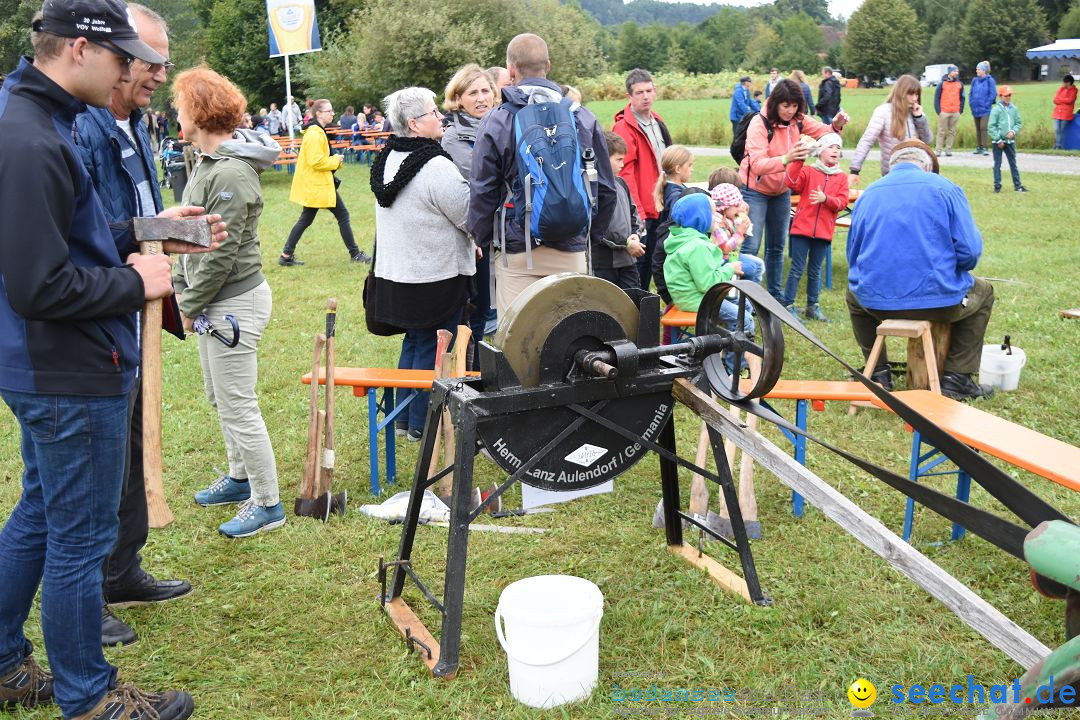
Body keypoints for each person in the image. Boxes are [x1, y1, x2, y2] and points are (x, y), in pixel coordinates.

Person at [0, 0, 224, 716]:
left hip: (47, 362)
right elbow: (40, 284)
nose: (137, 70)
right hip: (67, 366)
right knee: (80, 536)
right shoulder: (31, 137)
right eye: (124, 57)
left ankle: (5, 663)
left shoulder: (36, 118)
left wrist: (150, 230)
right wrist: (137, 280)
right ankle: (90, 699)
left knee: (41, 511)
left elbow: (68, 234)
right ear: (75, 50)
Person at [73, 2, 193, 649]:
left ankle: (122, 570)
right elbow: (86, 237)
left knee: (133, 448)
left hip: (135, 313)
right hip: (95, 316)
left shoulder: (134, 122)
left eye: (162, 62)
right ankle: (87, 593)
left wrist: (166, 226)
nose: (157, 74)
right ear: (114, 58)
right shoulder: (82, 128)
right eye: (148, 61)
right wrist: (146, 240)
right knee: (97, 463)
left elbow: (134, 216)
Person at [171, 67, 284, 537]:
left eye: (179, 105)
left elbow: (220, 254)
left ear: (197, 111)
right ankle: (240, 478)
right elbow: (187, 237)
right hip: (210, 302)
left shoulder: (232, 174)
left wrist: (187, 305)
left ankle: (267, 502)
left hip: (232, 302)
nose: (175, 113)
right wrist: (181, 287)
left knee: (238, 403)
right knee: (220, 399)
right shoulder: (205, 162)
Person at [468, 33, 615, 315]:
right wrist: (589, 234)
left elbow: (483, 189)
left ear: (511, 70)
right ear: (548, 65)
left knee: (517, 340)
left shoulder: (498, 119)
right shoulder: (582, 117)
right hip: (571, 246)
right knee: (570, 337)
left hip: (517, 249)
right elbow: (606, 188)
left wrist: (483, 237)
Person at [846, 140, 994, 401]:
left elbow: (853, 255)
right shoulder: (945, 188)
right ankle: (957, 377)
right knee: (984, 292)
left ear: (892, 167)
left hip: (876, 303)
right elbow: (970, 253)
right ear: (926, 167)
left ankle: (878, 372)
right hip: (941, 302)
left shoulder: (868, 194)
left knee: (853, 295)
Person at [370, 87, 475, 440]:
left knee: (415, 343)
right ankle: (421, 424)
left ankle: (403, 421)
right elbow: (468, 214)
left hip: (398, 276)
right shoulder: (436, 166)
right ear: (414, 124)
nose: (441, 117)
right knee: (433, 345)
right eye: (434, 112)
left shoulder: (389, 158)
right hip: (434, 277)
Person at [739, 79, 848, 301]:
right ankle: (746, 300)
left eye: (795, 106)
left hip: (781, 192)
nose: (790, 111)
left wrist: (836, 124)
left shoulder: (798, 121)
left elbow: (825, 133)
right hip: (755, 190)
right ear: (776, 103)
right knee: (751, 246)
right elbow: (757, 164)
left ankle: (775, 298)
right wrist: (787, 159)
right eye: (785, 105)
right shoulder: (759, 124)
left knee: (777, 247)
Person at [441, 63, 497, 368]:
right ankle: (469, 376)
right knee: (475, 312)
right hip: (473, 235)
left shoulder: (500, 126)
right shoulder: (454, 138)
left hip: (501, 231)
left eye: (485, 90)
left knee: (492, 310)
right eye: (472, 92)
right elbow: (473, 185)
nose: (480, 98)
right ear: (458, 98)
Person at [279, 99, 371, 266]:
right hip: (317, 185)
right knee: (342, 215)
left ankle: (286, 255)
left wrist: (335, 160)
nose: (332, 113)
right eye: (329, 111)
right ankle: (355, 253)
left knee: (307, 219)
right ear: (319, 113)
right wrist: (335, 160)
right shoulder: (315, 134)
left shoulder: (316, 131)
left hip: (318, 184)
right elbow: (316, 161)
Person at [662, 193, 753, 350]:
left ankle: (723, 350)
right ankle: (734, 366)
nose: (715, 218)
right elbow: (707, 283)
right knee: (745, 318)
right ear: (700, 217)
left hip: (686, 298)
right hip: (698, 300)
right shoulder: (697, 246)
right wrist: (730, 268)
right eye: (711, 214)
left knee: (746, 305)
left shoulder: (682, 238)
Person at [611, 68, 672, 291]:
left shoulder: (657, 120)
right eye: (639, 92)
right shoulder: (624, 127)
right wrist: (638, 213)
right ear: (629, 96)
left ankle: (645, 307)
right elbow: (624, 175)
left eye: (649, 90)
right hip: (643, 209)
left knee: (657, 261)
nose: (645, 96)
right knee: (639, 266)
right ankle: (635, 312)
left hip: (660, 203)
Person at [781, 133, 849, 321]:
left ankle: (813, 306)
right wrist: (799, 160)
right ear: (819, 151)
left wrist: (826, 199)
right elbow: (791, 182)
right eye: (831, 147)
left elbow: (842, 203)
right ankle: (788, 304)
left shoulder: (841, 177)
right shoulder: (809, 172)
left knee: (815, 270)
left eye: (838, 147)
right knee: (797, 268)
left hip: (823, 233)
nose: (835, 150)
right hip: (802, 230)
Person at [849, 74, 931, 179]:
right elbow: (867, 140)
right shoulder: (883, 112)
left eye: (917, 94)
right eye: (911, 94)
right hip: (892, 172)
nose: (915, 98)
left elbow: (927, 141)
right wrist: (855, 170)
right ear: (901, 93)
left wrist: (919, 119)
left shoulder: (917, 113)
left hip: (917, 171)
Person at [593, 131, 645, 291]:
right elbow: (597, 228)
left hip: (628, 260)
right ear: (602, 158)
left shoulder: (622, 183)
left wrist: (636, 234)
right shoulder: (595, 187)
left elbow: (633, 213)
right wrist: (626, 243)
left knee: (633, 302)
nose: (622, 164)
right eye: (619, 159)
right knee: (608, 305)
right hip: (604, 263)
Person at [709, 180, 762, 285]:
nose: (738, 209)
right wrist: (739, 233)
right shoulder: (717, 223)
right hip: (719, 261)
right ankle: (744, 296)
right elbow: (725, 248)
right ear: (725, 207)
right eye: (736, 206)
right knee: (751, 268)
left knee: (758, 265)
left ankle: (753, 296)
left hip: (728, 256)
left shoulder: (727, 219)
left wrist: (744, 230)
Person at [988, 86, 1027, 193]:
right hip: (998, 142)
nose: (1008, 97)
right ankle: (997, 186)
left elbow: (1018, 123)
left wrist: (1013, 132)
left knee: (1013, 163)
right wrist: (998, 140)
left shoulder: (1014, 109)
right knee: (997, 164)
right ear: (1000, 96)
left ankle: (1018, 186)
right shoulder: (996, 110)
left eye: (1010, 95)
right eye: (1006, 95)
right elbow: (991, 127)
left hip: (1010, 141)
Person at [933, 65, 964, 157]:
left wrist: (960, 110)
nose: (956, 73)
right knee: (941, 131)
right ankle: (938, 149)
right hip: (944, 111)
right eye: (955, 71)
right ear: (950, 72)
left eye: (957, 72)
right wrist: (939, 111)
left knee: (952, 131)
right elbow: (936, 97)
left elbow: (962, 98)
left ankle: (948, 149)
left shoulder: (960, 84)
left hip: (955, 111)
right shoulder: (942, 84)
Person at [968, 61, 996, 155]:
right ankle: (979, 147)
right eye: (977, 69)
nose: (977, 71)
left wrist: (987, 104)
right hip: (975, 108)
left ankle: (985, 147)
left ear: (984, 70)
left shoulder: (990, 80)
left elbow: (993, 94)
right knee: (978, 128)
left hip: (985, 109)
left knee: (983, 127)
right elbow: (971, 93)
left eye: (978, 69)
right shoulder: (974, 80)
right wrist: (971, 103)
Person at [1052, 75, 1076, 150]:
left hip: (1066, 114)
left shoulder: (1074, 90)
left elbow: (1070, 100)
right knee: (1057, 130)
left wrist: (1061, 100)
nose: (1062, 84)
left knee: (1062, 131)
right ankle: (1057, 145)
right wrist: (1064, 100)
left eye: (1064, 82)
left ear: (1068, 83)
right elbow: (1055, 100)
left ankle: (1059, 146)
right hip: (1057, 113)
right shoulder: (1060, 89)